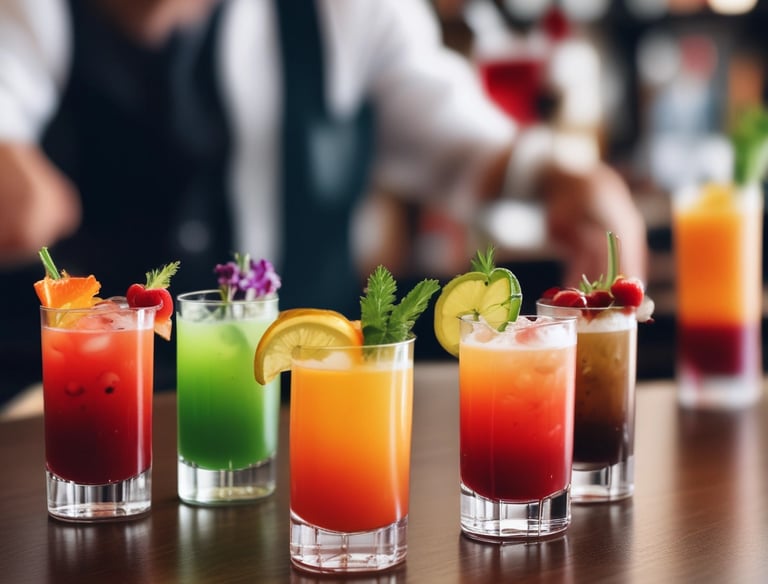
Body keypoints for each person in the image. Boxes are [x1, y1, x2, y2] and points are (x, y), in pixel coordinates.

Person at [0, 0, 647, 404]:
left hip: (300, 422)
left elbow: (463, 142)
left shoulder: (347, 10)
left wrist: (574, 181)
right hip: (62, 430)